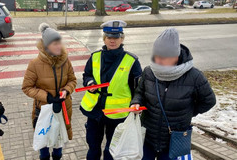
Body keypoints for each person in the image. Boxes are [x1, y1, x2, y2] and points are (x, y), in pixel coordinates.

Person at [131, 28, 216, 160]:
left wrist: (189, 112)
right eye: (156, 56)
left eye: (163, 58)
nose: (157, 61)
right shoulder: (149, 71)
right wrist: (136, 102)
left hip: (174, 139)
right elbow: (140, 92)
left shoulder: (194, 76)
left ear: (176, 56)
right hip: (148, 135)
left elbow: (209, 101)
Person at [81, 20, 142, 160]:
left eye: (116, 37)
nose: (112, 41)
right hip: (94, 110)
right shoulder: (95, 56)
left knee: (112, 148)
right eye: (109, 37)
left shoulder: (131, 60)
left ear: (122, 38)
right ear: (104, 38)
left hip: (117, 113)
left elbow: (139, 88)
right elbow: (87, 75)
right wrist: (89, 83)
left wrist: (136, 103)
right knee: (93, 146)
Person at [22, 23, 77, 160]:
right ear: (46, 46)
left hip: (63, 108)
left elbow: (73, 80)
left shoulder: (66, 61)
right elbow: (27, 88)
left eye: (59, 43)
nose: (59, 46)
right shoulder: (34, 64)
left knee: (58, 140)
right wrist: (47, 97)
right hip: (43, 110)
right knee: (44, 143)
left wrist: (66, 91)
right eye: (54, 43)